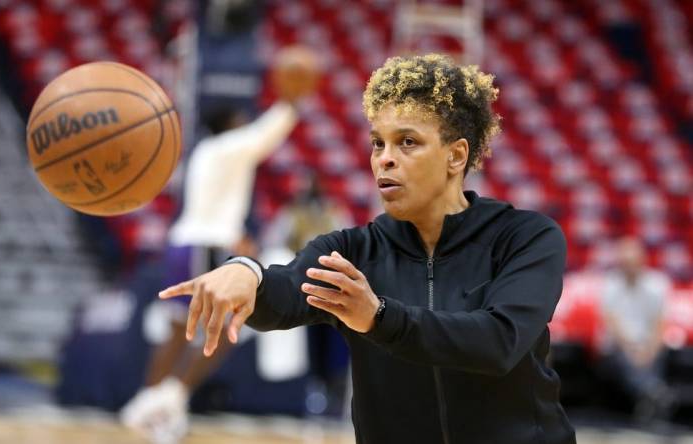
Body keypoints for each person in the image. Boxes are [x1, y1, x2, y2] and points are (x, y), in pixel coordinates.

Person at [160, 54, 576, 444]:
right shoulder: (352, 249)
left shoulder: (526, 237)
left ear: (456, 155)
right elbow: (284, 294)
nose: (384, 160)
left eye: (407, 142)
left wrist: (378, 318)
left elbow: (498, 342)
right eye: (378, 143)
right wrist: (247, 272)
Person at [120, 49, 319, 443]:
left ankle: (147, 404)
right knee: (227, 325)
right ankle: (171, 401)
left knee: (178, 328)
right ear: (229, 125)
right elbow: (265, 136)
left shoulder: (206, 154)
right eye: (240, 120)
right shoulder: (228, 148)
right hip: (205, 245)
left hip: (186, 242)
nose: (245, 124)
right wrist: (291, 100)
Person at [599, 236, 674, 422]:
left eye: (631, 262)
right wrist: (632, 349)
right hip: (619, 346)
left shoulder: (658, 283)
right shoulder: (610, 283)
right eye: (624, 262)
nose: (628, 266)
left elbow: (659, 324)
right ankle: (654, 392)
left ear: (642, 260)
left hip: (648, 344)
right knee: (625, 360)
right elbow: (614, 325)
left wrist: (649, 351)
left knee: (658, 354)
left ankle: (648, 396)